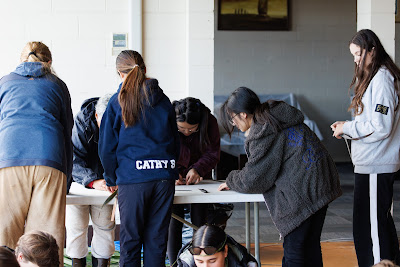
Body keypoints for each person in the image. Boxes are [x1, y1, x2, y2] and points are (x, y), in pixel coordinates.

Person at [218, 87, 342, 267]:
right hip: (321, 183)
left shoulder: (263, 130)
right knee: (310, 247)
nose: (233, 124)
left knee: (295, 252)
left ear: (243, 114)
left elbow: (255, 179)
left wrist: (231, 179)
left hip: (303, 190)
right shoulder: (276, 117)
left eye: (232, 118)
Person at [99, 50, 180, 266]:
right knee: (156, 243)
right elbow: (175, 142)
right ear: (145, 70)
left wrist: (110, 179)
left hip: (133, 179)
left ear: (119, 73)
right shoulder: (163, 101)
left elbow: (106, 147)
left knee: (130, 244)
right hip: (164, 179)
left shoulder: (118, 103)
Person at [331, 29, 400, 267]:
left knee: (371, 228)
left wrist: (348, 129)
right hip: (372, 164)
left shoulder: (381, 79)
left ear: (372, 50)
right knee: (377, 224)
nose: (356, 60)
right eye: (353, 55)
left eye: (358, 54)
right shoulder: (376, 77)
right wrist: (347, 126)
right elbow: (372, 122)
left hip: (375, 165)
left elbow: (381, 126)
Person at [0, 41, 73, 266]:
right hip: (49, 157)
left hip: (9, 156)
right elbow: (67, 133)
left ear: (21, 60)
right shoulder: (57, 85)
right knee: (45, 238)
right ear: (49, 63)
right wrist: (66, 179)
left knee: (4, 232)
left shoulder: (4, 83)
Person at [168, 97, 220, 266]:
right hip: (173, 179)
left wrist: (198, 169)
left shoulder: (209, 121)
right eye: (181, 128)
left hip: (198, 180)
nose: (186, 132)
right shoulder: (166, 117)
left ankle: (199, 261)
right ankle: (175, 263)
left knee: (200, 222)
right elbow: (160, 149)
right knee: (173, 222)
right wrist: (171, 171)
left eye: (192, 130)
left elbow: (213, 152)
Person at [66, 94, 115, 267]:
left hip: (107, 185)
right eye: (105, 122)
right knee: (77, 228)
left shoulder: (123, 123)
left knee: (105, 227)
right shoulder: (79, 123)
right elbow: (73, 160)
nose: (110, 128)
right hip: (79, 183)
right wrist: (93, 181)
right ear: (96, 116)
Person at [176, 225, 257, 267]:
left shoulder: (245, 263)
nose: (205, 266)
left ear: (225, 251)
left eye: (212, 261)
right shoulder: (185, 264)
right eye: (200, 261)